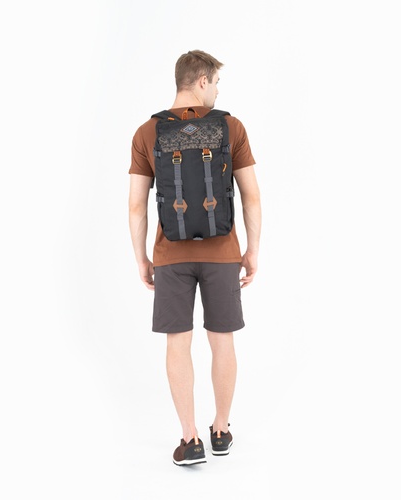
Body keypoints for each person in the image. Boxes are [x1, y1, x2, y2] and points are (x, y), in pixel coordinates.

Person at [128, 50, 261, 466]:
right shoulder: (231, 127)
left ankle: (190, 440)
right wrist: (252, 250)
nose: (217, 91)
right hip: (223, 253)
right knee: (222, 341)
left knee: (178, 343)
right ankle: (220, 430)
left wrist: (142, 258)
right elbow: (252, 197)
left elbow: (136, 206)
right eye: (216, 83)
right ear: (201, 80)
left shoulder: (147, 133)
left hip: (170, 255)